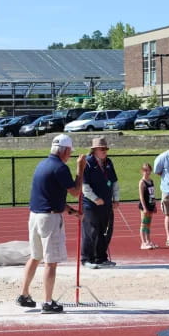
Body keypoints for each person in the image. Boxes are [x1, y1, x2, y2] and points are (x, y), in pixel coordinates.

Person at [16, 134, 86, 314]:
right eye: (70, 152)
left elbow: (52, 197)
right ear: (65, 151)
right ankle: (47, 302)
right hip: (49, 219)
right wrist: (80, 169)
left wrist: (72, 212)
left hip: (35, 216)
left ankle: (24, 294)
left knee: (35, 256)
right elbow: (75, 192)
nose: (70, 155)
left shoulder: (42, 165)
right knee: (51, 261)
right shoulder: (60, 168)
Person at [81, 136, 120, 269]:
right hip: (91, 205)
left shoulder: (109, 162)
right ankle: (87, 258)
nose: (104, 151)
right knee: (91, 231)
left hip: (107, 204)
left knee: (106, 231)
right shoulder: (88, 163)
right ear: (94, 150)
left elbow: (114, 182)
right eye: (101, 149)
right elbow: (84, 186)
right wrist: (95, 199)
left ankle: (101, 257)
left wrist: (116, 198)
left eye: (105, 149)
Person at [138, 162, 158, 249]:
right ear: (142, 171)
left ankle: (148, 241)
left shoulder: (151, 181)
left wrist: (154, 205)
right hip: (144, 207)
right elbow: (141, 197)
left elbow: (152, 194)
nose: (147, 172)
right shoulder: (142, 182)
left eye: (149, 170)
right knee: (144, 224)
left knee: (148, 224)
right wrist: (145, 208)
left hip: (150, 205)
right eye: (145, 170)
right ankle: (143, 243)